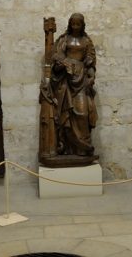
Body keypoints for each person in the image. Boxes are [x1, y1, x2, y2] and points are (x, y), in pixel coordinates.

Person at [50, 13, 98, 158]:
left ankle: (83, 147)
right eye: (73, 24)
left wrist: (91, 75)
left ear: (83, 25)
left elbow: (91, 61)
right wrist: (62, 64)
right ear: (70, 24)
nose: (75, 27)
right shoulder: (64, 40)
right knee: (67, 114)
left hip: (81, 80)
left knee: (82, 113)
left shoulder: (87, 41)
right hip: (66, 81)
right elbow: (56, 58)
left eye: (78, 24)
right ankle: (68, 148)